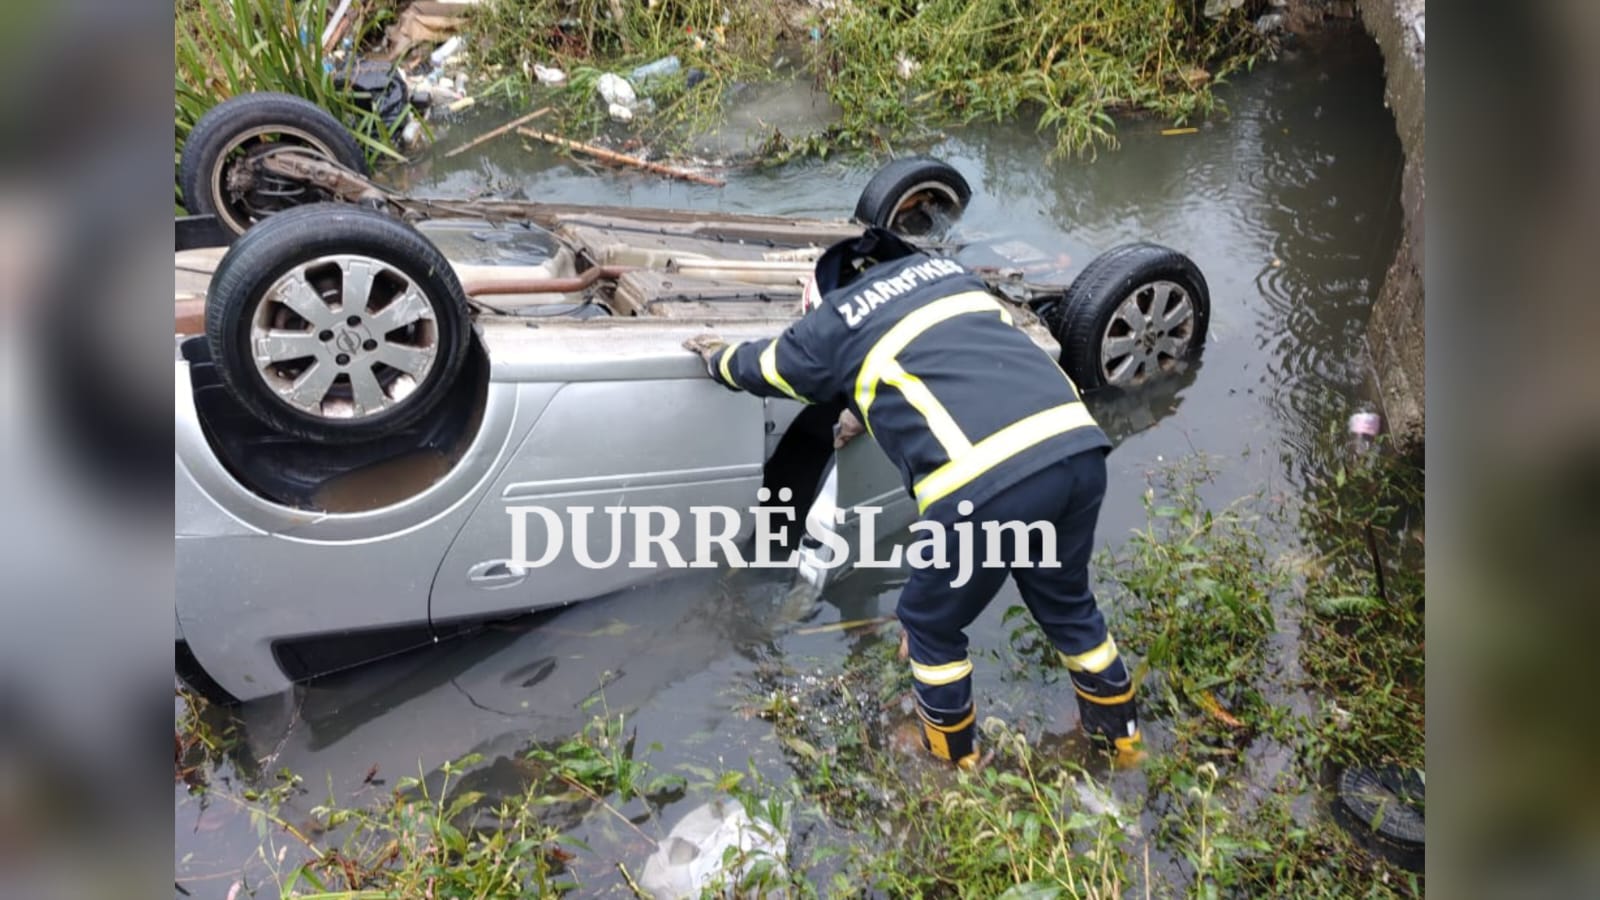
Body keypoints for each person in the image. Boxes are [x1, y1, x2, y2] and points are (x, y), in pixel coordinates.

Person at [684, 227, 1140, 768]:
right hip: (1077, 451)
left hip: (986, 483)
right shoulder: (955, 279)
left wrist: (715, 358)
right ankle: (1123, 746)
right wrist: (863, 406)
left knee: (929, 624)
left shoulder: (836, 319)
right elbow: (947, 368)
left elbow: (768, 368)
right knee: (1068, 608)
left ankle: (952, 766)